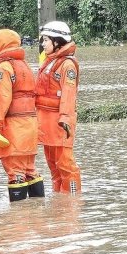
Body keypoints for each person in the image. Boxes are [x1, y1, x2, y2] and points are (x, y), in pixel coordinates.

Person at [0, 29, 43, 201]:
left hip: (14, 128)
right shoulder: (24, 66)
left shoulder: (3, 67)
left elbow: (2, 99)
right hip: (30, 127)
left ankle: (18, 221)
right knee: (30, 170)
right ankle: (39, 213)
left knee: (15, 173)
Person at [36, 21, 82, 194]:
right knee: (53, 166)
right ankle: (59, 204)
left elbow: (68, 95)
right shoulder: (48, 62)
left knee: (65, 165)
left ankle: (72, 201)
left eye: (46, 40)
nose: (43, 44)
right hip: (46, 122)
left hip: (60, 122)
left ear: (57, 41)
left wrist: (65, 119)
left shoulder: (67, 65)